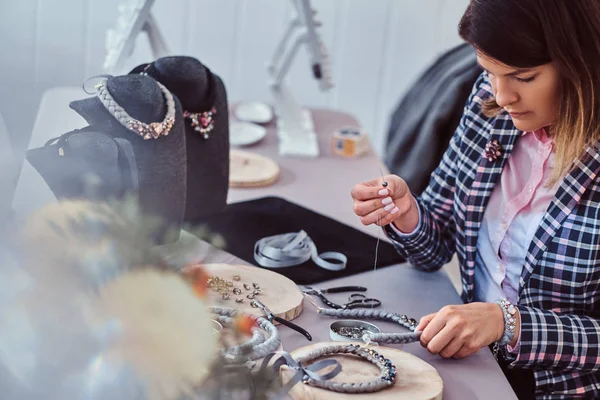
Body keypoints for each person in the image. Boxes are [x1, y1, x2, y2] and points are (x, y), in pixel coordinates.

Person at [351, 0, 600, 398]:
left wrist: (508, 324)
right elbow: (434, 250)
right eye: (490, 71)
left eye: (524, 76)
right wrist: (408, 213)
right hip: (474, 363)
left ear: (581, 62)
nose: (502, 95)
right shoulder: (490, 103)